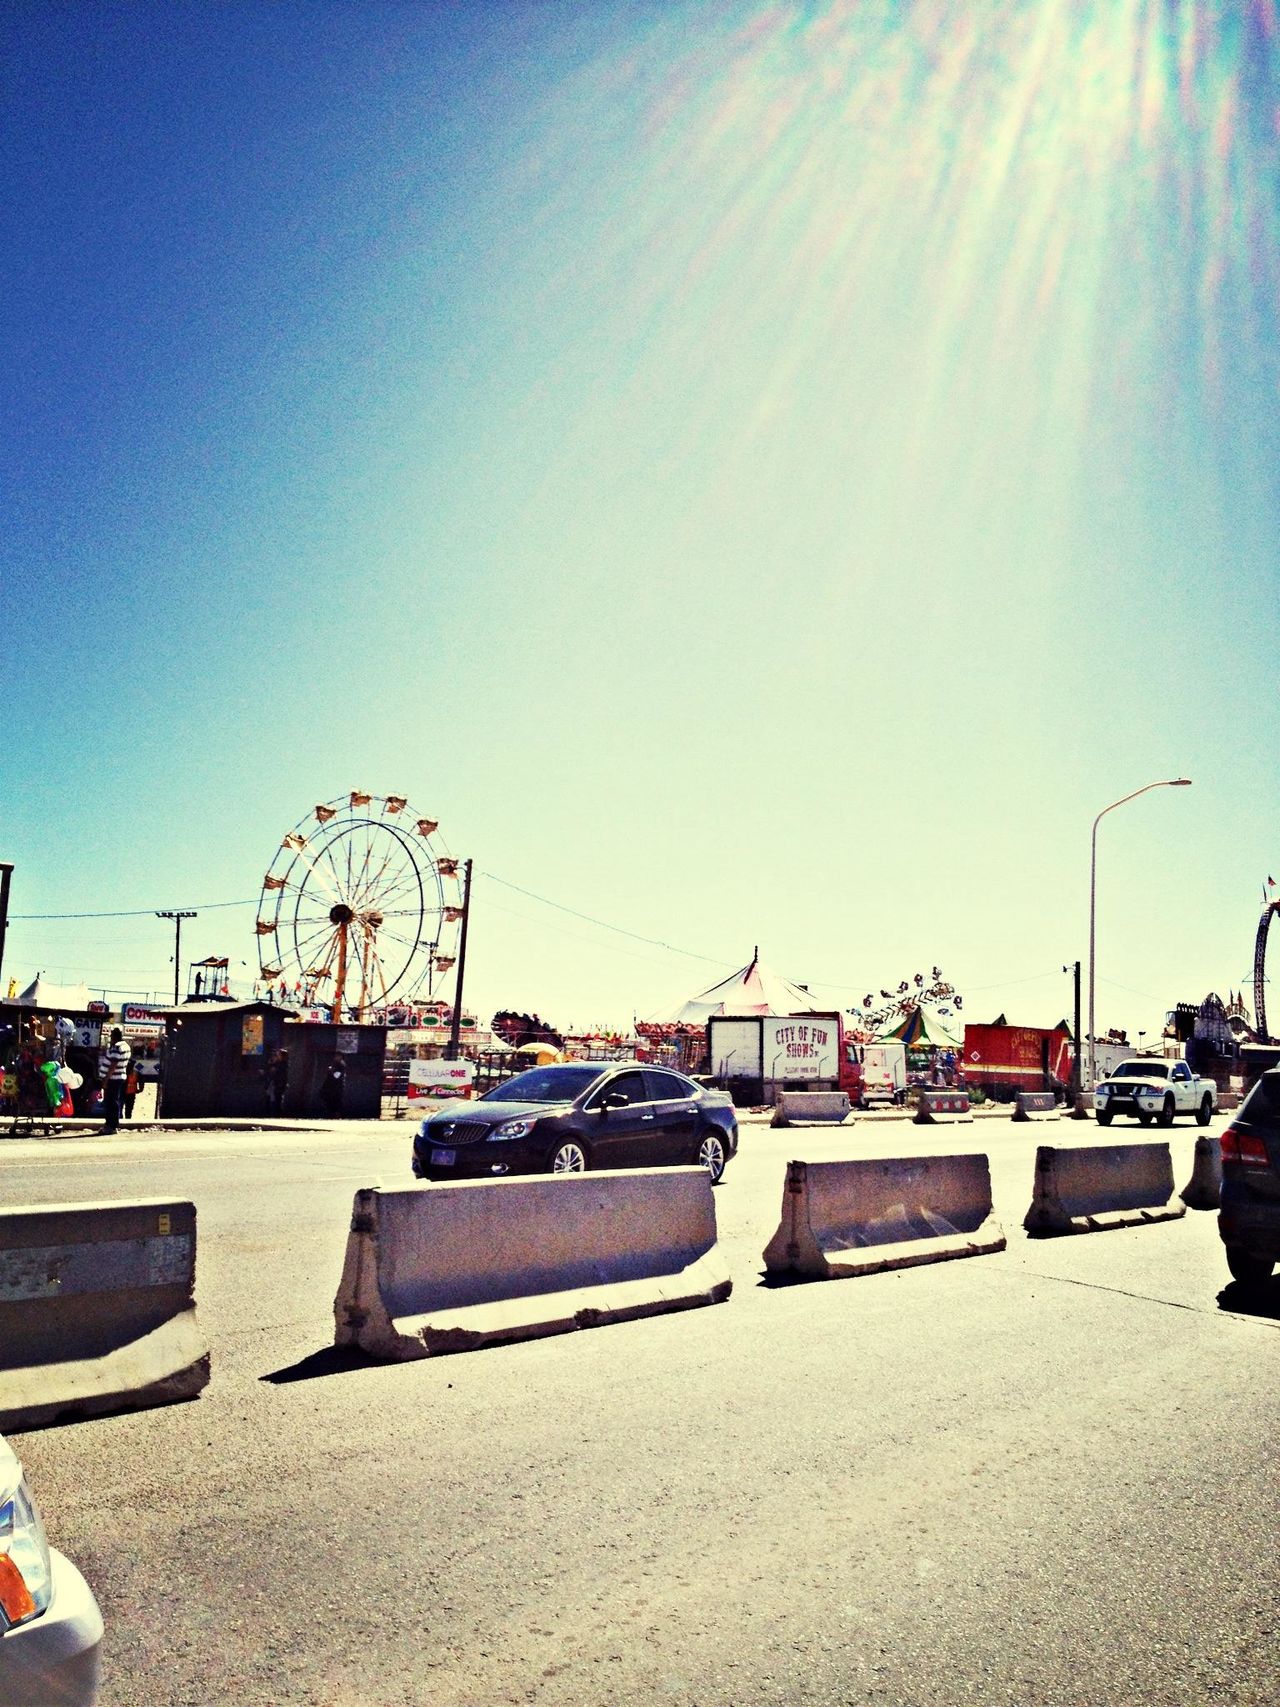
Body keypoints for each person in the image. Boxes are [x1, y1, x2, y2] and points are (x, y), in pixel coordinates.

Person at [102, 1026, 131, 1134]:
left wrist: (105, 1079)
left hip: (113, 1078)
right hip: (120, 1077)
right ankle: (112, 1124)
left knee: (110, 1102)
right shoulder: (126, 1046)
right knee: (114, 1101)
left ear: (114, 1036)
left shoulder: (117, 1047)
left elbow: (113, 1064)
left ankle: (111, 1125)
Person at [266, 1047, 289, 1115]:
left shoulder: (282, 1065)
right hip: (276, 1084)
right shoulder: (279, 1063)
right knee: (274, 1101)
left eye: (278, 1055)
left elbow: (280, 1075)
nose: (277, 1056)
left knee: (277, 1102)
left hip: (279, 1085)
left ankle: (277, 1114)